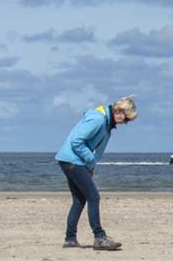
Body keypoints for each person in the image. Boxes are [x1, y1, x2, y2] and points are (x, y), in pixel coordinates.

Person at [56, 96, 137, 250]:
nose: (126, 122)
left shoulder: (106, 122)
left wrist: (90, 166)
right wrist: (90, 160)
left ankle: (70, 239)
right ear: (119, 112)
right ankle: (99, 237)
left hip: (72, 160)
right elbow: (77, 141)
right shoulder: (98, 119)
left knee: (79, 200)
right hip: (73, 160)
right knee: (93, 197)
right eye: (126, 119)